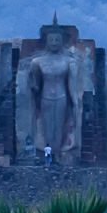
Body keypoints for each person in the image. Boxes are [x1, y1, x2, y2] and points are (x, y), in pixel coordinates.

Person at [25, 27, 81, 157]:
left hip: (62, 98)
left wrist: (75, 103)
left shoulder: (69, 61)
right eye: (51, 39)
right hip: (45, 98)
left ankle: (57, 156)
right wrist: (33, 86)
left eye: (57, 39)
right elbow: (36, 85)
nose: (54, 42)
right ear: (46, 41)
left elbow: (72, 86)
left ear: (62, 41)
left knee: (59, 129)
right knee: (47, 130)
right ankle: (48, 157)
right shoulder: (37, 62)